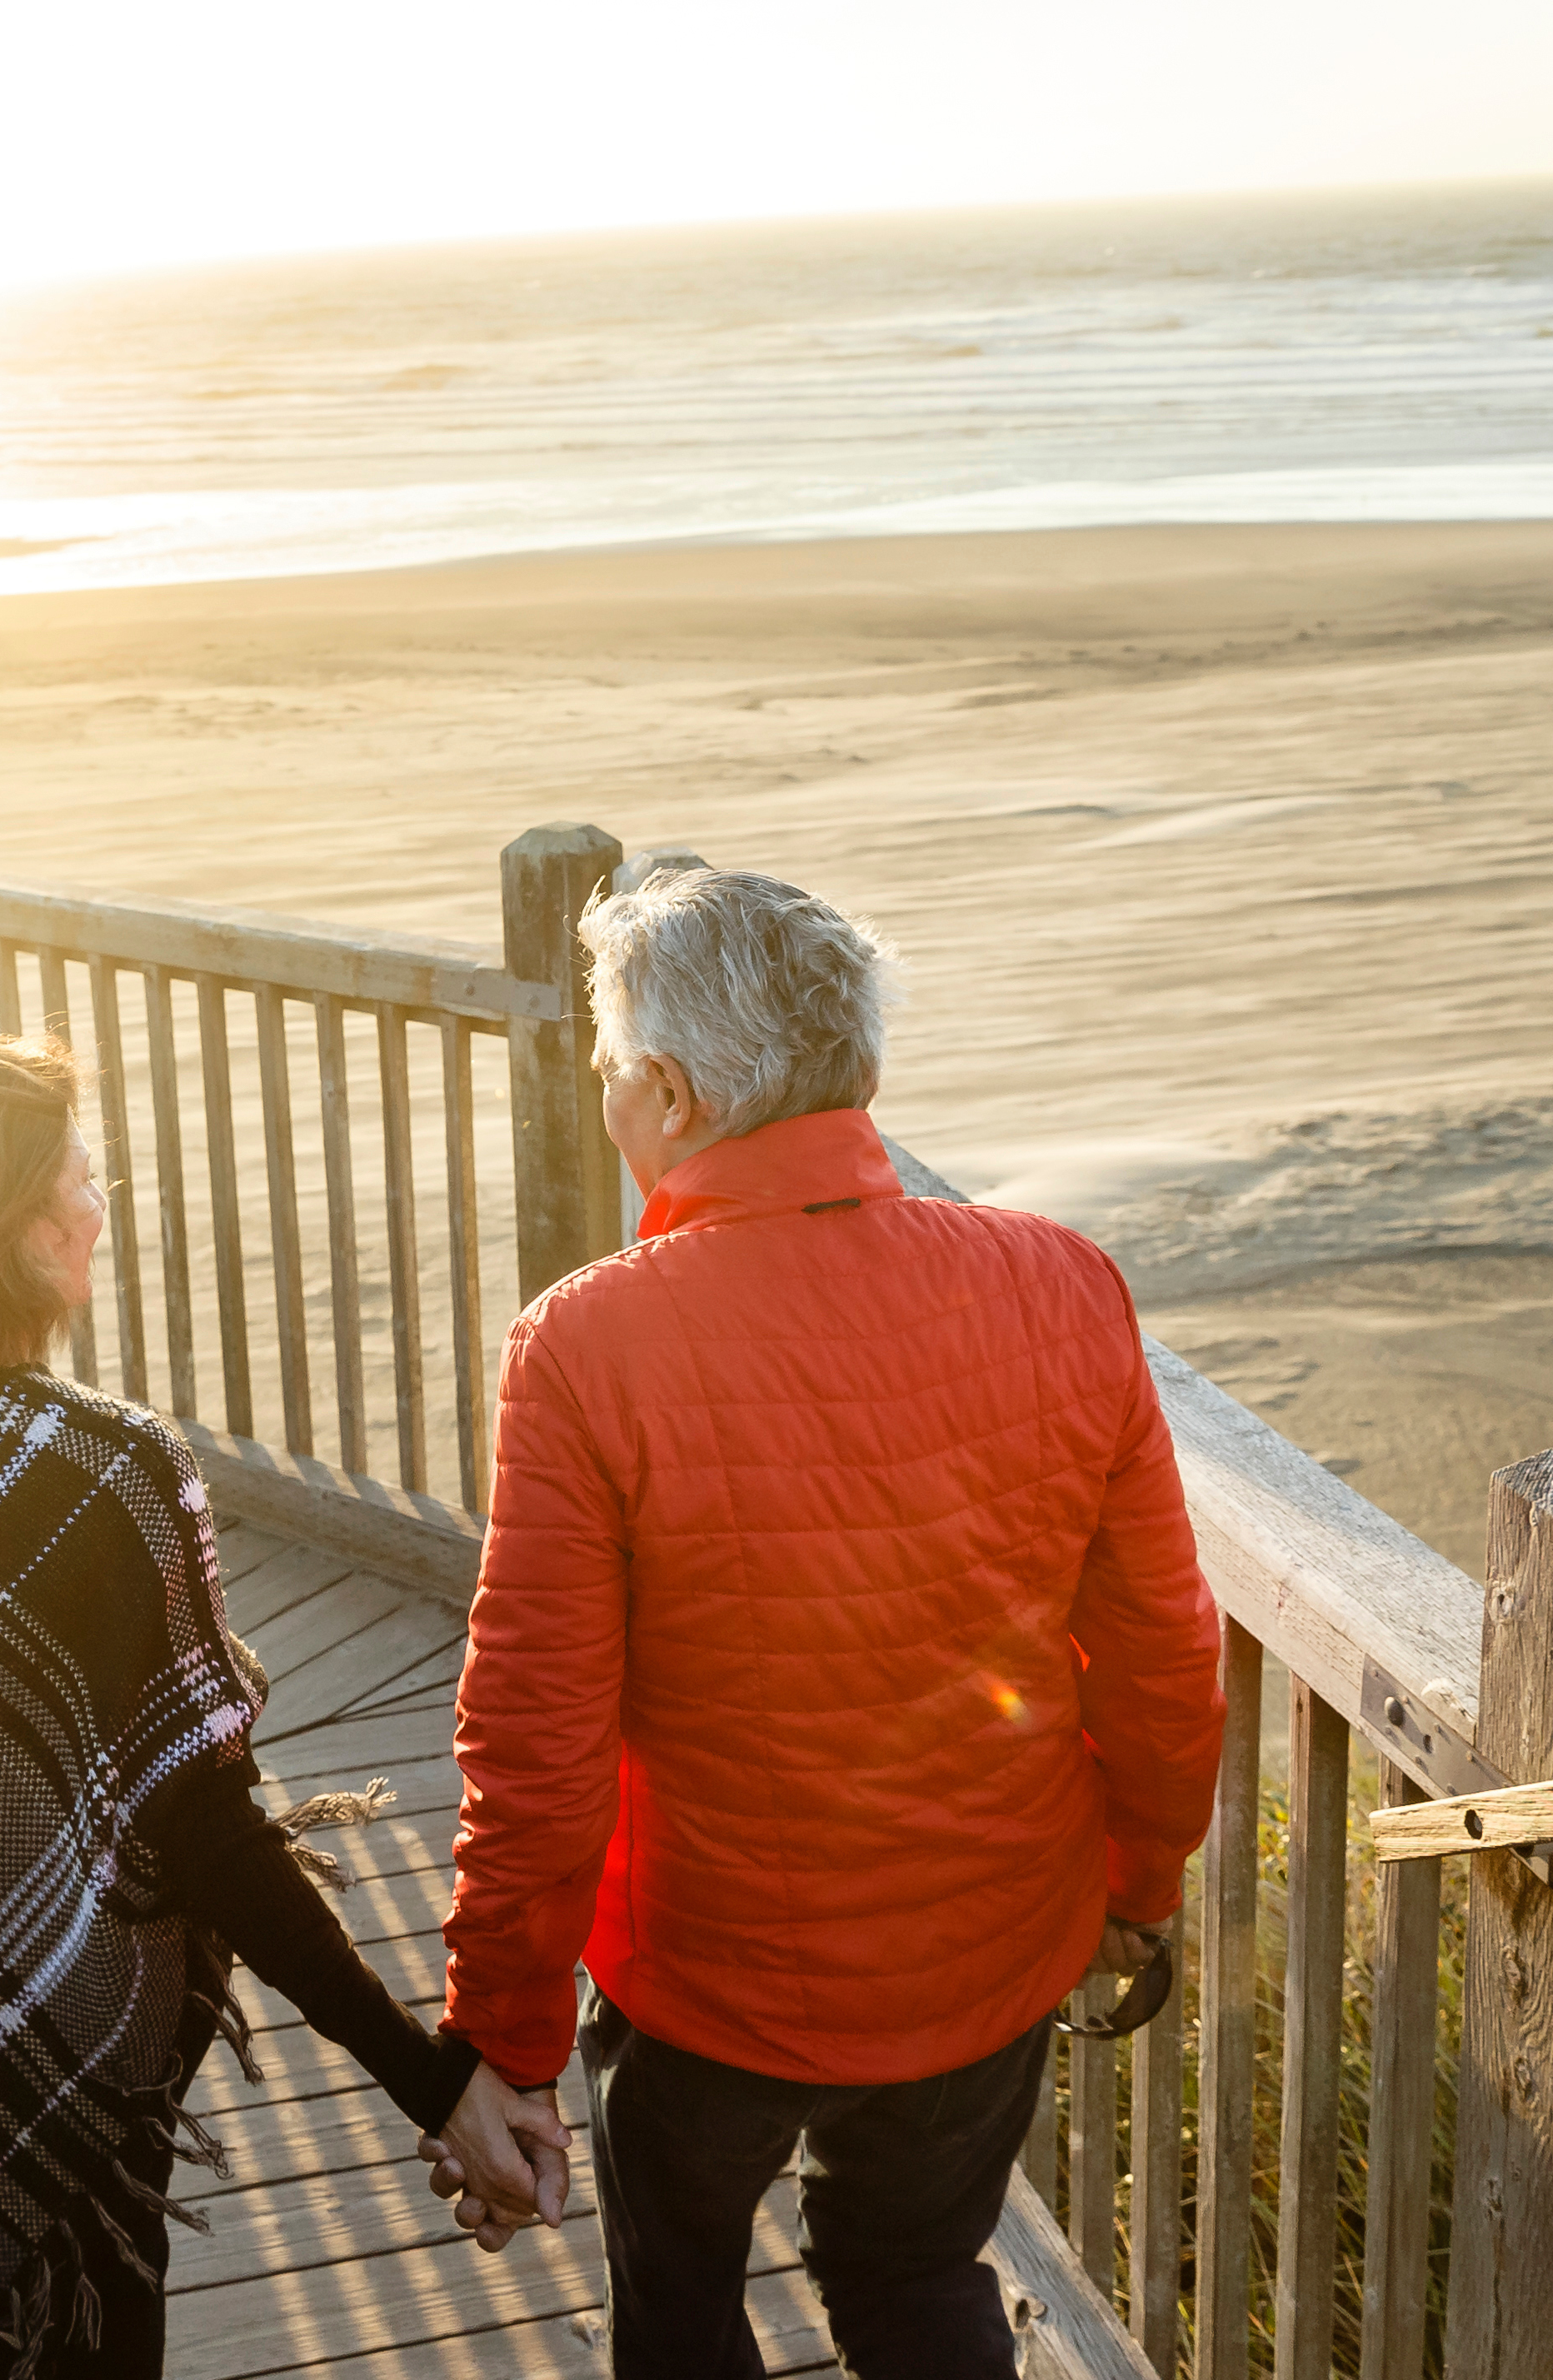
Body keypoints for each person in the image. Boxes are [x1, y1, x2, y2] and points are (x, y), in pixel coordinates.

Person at [0, 1030, 572, 2380]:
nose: (98, 1207)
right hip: (71, 2059)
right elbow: (205, 1827)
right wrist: (429, 2081)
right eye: (77, 1180)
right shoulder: (104, 1473)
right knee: (90, 2330)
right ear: (4, 1234)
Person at [428, 868, 1224, 2378]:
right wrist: (1139, 1874)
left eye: (608, 1073)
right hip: (992, 1945)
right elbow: (1160, 1646)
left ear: (664, 1091)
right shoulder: (1059, 1279)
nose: (608, 1099)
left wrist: (502, 2040)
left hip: (709, 1982)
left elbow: (534, 1737)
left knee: (677, 2307)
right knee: (919, 2278)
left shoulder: (590, 1343)